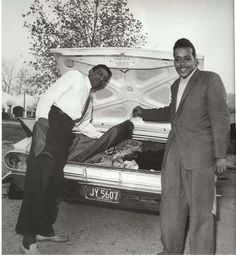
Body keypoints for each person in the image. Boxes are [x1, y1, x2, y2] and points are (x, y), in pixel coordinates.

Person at [132, 38, 230, 254]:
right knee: (171, 210)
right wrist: (144, 112)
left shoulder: (210, 79)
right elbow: (172, 112)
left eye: (187, 58)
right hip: (174, 154)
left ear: (195, 59)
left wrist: (220, 155)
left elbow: (221, 118)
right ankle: (170, 251)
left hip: (200, 157)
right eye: (177, 59)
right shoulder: (176, 85)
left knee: (201, 214)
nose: (182, 63)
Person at [15, 64, 112, 254]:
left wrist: (106, 137)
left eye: (105, 79)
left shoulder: (89, 100)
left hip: (64, 135)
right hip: (50, 127)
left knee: (53, 186)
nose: (101, 79)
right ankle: (27, 240)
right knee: (38, 184)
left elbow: (83, 125)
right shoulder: (75, 76)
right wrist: (41, 126)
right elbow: (48, 97)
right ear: (91, 72)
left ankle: (44, 230)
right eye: (99, 74)